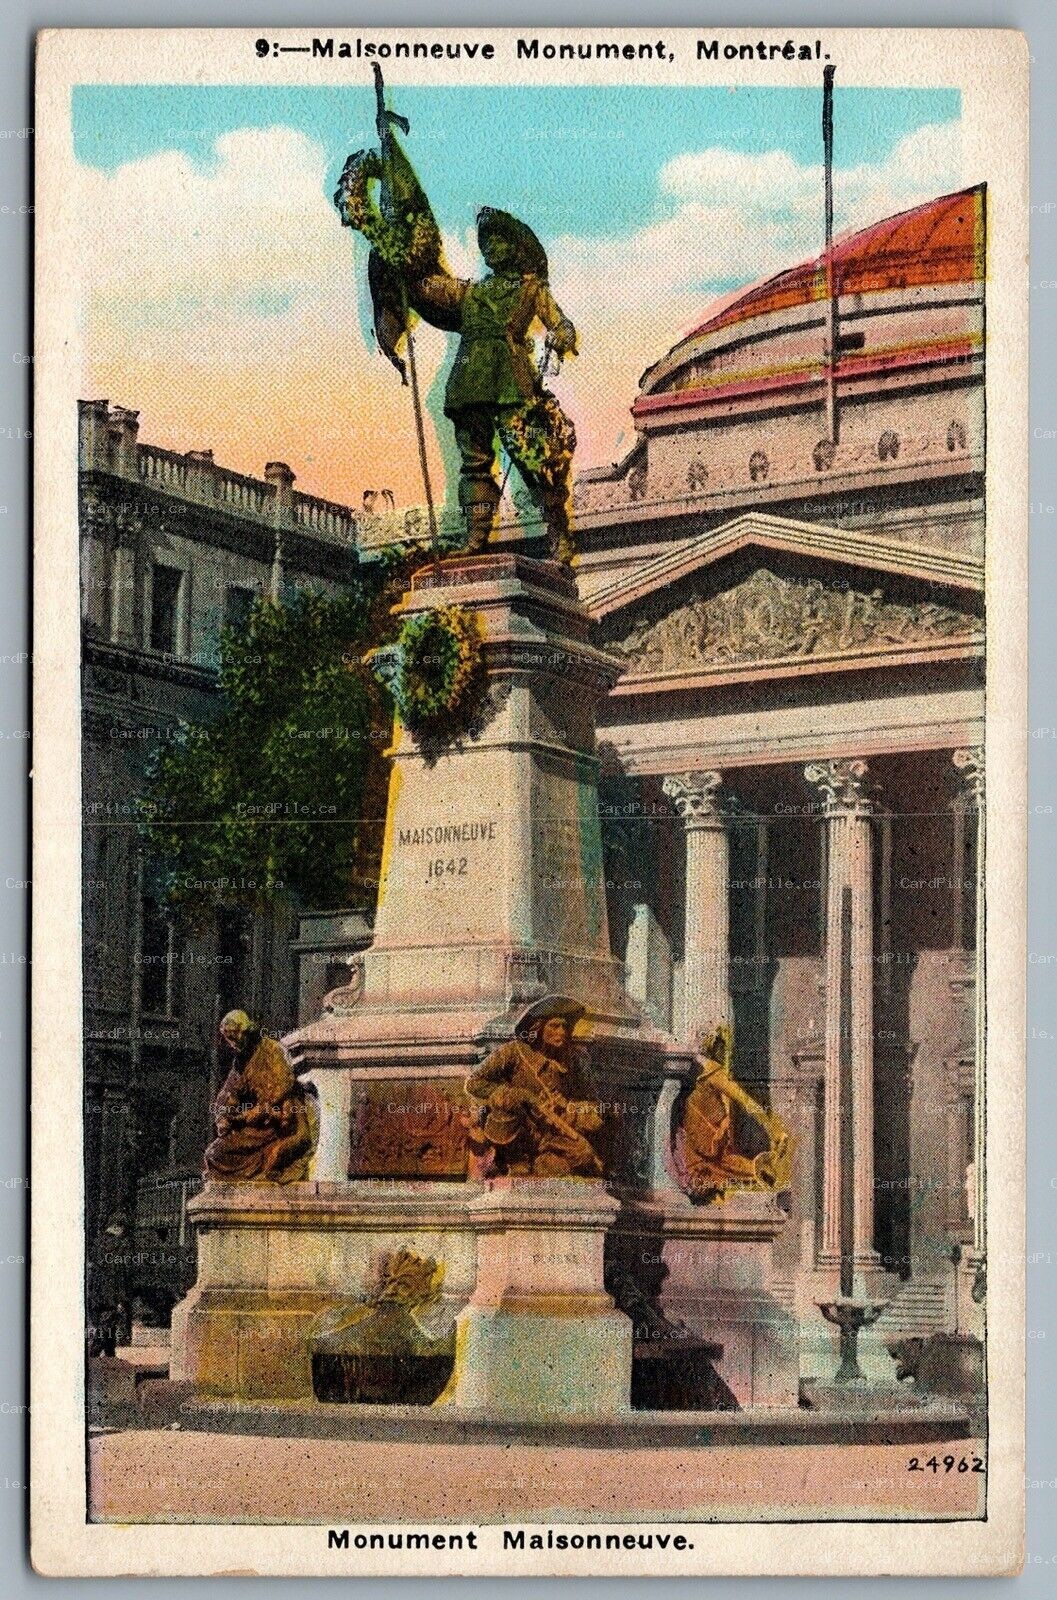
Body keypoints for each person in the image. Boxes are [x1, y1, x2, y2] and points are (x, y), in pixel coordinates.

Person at [465, 996, 603, 1178]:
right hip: (518, 1127)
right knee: (508, 1099)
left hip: (552, 1130)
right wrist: (518, 1094)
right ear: (538, 1028)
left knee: (584, 1154)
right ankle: (516, 1160)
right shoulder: (514, 1051)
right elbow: (474, 1083)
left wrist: (569, 1107)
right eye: (554, 1026)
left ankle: (543, 1162)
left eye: (565, 1027)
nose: (561, 1032)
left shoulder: (573, 1061)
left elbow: (593, 1104)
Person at [680, 1024, 792, 1201]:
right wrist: (772, 1129)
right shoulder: (707, 1070)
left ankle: (763, 1176)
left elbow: (744, 1101)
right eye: (722, 1049)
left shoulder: (701, 1069)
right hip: (700, 1141)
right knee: (728, 1168)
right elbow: (744, 1100)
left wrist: (772, 1129)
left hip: (706, 1142)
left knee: (731, 1168)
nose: (724, 1055)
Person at [203, 1010, 317, 1183]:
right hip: (254, 1125)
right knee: (213, 1154)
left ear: (246, 1032)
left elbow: (284, 1084)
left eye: (234, 1037)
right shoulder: (241, 1060)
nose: (232, 1044)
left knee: (275, 1154)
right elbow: (231, 1091)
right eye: (228, 1039)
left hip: (279, 1122)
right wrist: (224, 1115)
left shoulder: (272, 1049)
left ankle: (264, 1171)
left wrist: (260, 1109)